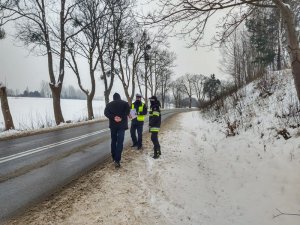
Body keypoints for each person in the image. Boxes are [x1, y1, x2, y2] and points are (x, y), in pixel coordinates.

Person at [104, 92, 130, 168]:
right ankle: (117, 160)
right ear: (119, 97)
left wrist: (114, 117)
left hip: (113, 126)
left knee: (113, 141)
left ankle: (113, 156)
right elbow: (128, 111)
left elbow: (105, 113)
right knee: (120, 142)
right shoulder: (125, 103)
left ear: (113, 98)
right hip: (122, 126)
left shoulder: (109, 104)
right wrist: (121, 117)